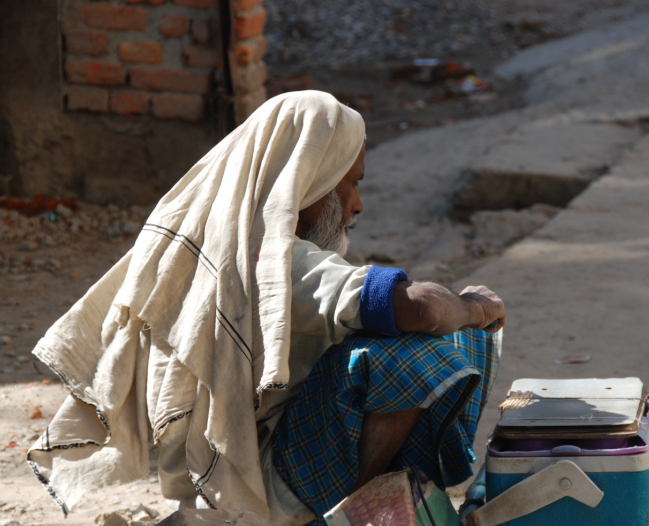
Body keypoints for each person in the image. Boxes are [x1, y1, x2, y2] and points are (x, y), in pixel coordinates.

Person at [27, 91, 505, 526]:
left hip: (236, 470)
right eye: (350, 183)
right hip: (266, 480)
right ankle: (349, 515)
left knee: (394, 339)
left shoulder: (228, 246)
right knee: (417, 351)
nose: (357, 205)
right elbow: (419, 309)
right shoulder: (279, 262)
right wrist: (473, 307)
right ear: (309, 179)